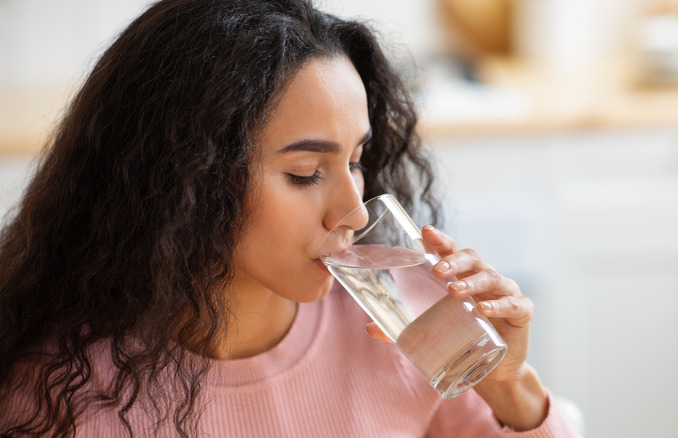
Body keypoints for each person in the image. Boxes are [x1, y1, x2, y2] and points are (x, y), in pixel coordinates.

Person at [0, 0, 581, 436]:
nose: (354, 211)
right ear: (185, 177)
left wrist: (511, 388)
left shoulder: (406, 325)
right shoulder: (63, 391)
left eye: (356, 160)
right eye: (306, 172)